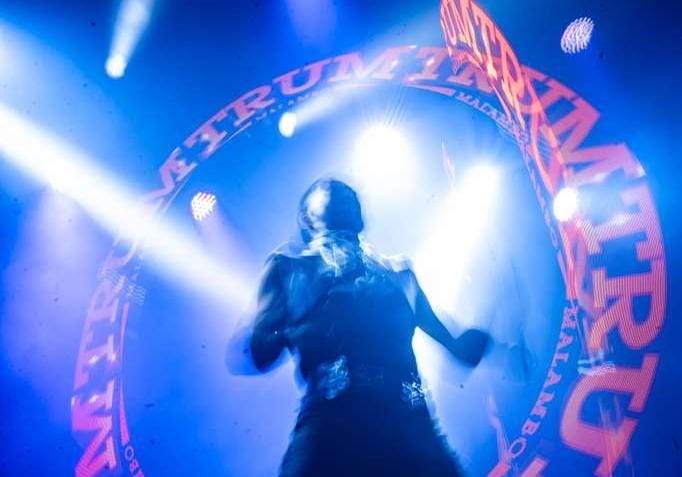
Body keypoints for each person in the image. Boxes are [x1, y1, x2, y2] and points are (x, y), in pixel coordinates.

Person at [228, 178, 491, 477]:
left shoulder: (400, 272)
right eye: (327, 189)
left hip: (408, 421)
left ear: (360, 217)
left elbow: (457, 348)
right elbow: (259, 354)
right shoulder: (288, 269)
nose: (339, 189)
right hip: (332, 421)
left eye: (348, 193)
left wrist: (484, 339)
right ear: (306, 218)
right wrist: (279, 322)